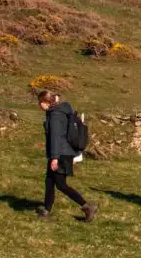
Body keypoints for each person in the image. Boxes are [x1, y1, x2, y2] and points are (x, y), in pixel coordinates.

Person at [36, 90, 97, 222]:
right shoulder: (60, 111)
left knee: (61, 185)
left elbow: (56, 138)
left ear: (46, 102)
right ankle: (46, 210)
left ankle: (87, 207)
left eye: (40, 102)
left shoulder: (56, 115)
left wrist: (55, 158)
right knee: (49, 181)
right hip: (63, 152)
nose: (39, 105)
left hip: (60, 153)